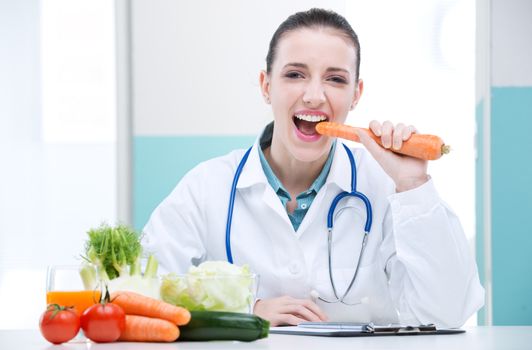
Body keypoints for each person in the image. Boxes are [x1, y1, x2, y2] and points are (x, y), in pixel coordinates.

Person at [142, 8, 484, 327]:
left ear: (355, 94)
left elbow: (447, 314)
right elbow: (141, 293)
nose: (314, 96)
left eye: (335, 79)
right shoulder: (207, 186)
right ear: (266, 86)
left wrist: (413, 184)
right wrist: (245, 311)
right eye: (294, 74)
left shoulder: (385, 186)